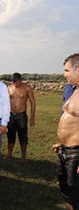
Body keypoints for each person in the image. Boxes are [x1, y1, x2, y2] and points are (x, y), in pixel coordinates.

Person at [52, 53, 79, 210]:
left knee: (75, 193)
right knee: (67, 192)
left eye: (67, 70)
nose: (64, 74)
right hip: (65, 150)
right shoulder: (74, 90)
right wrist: (61, 143)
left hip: (76, 154)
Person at [4, 72, 35, 162]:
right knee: (10, 135)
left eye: (16, 82)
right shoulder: (9, 88)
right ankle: (9, 154)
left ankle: (23, 157)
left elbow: (33, 103)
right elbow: (4, 102)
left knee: (23, 136)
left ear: (20, 80)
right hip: (10, 115)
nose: (15, 84)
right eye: (13, 82)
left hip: (21, 115)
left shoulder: (27, 88)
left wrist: (32, 117)